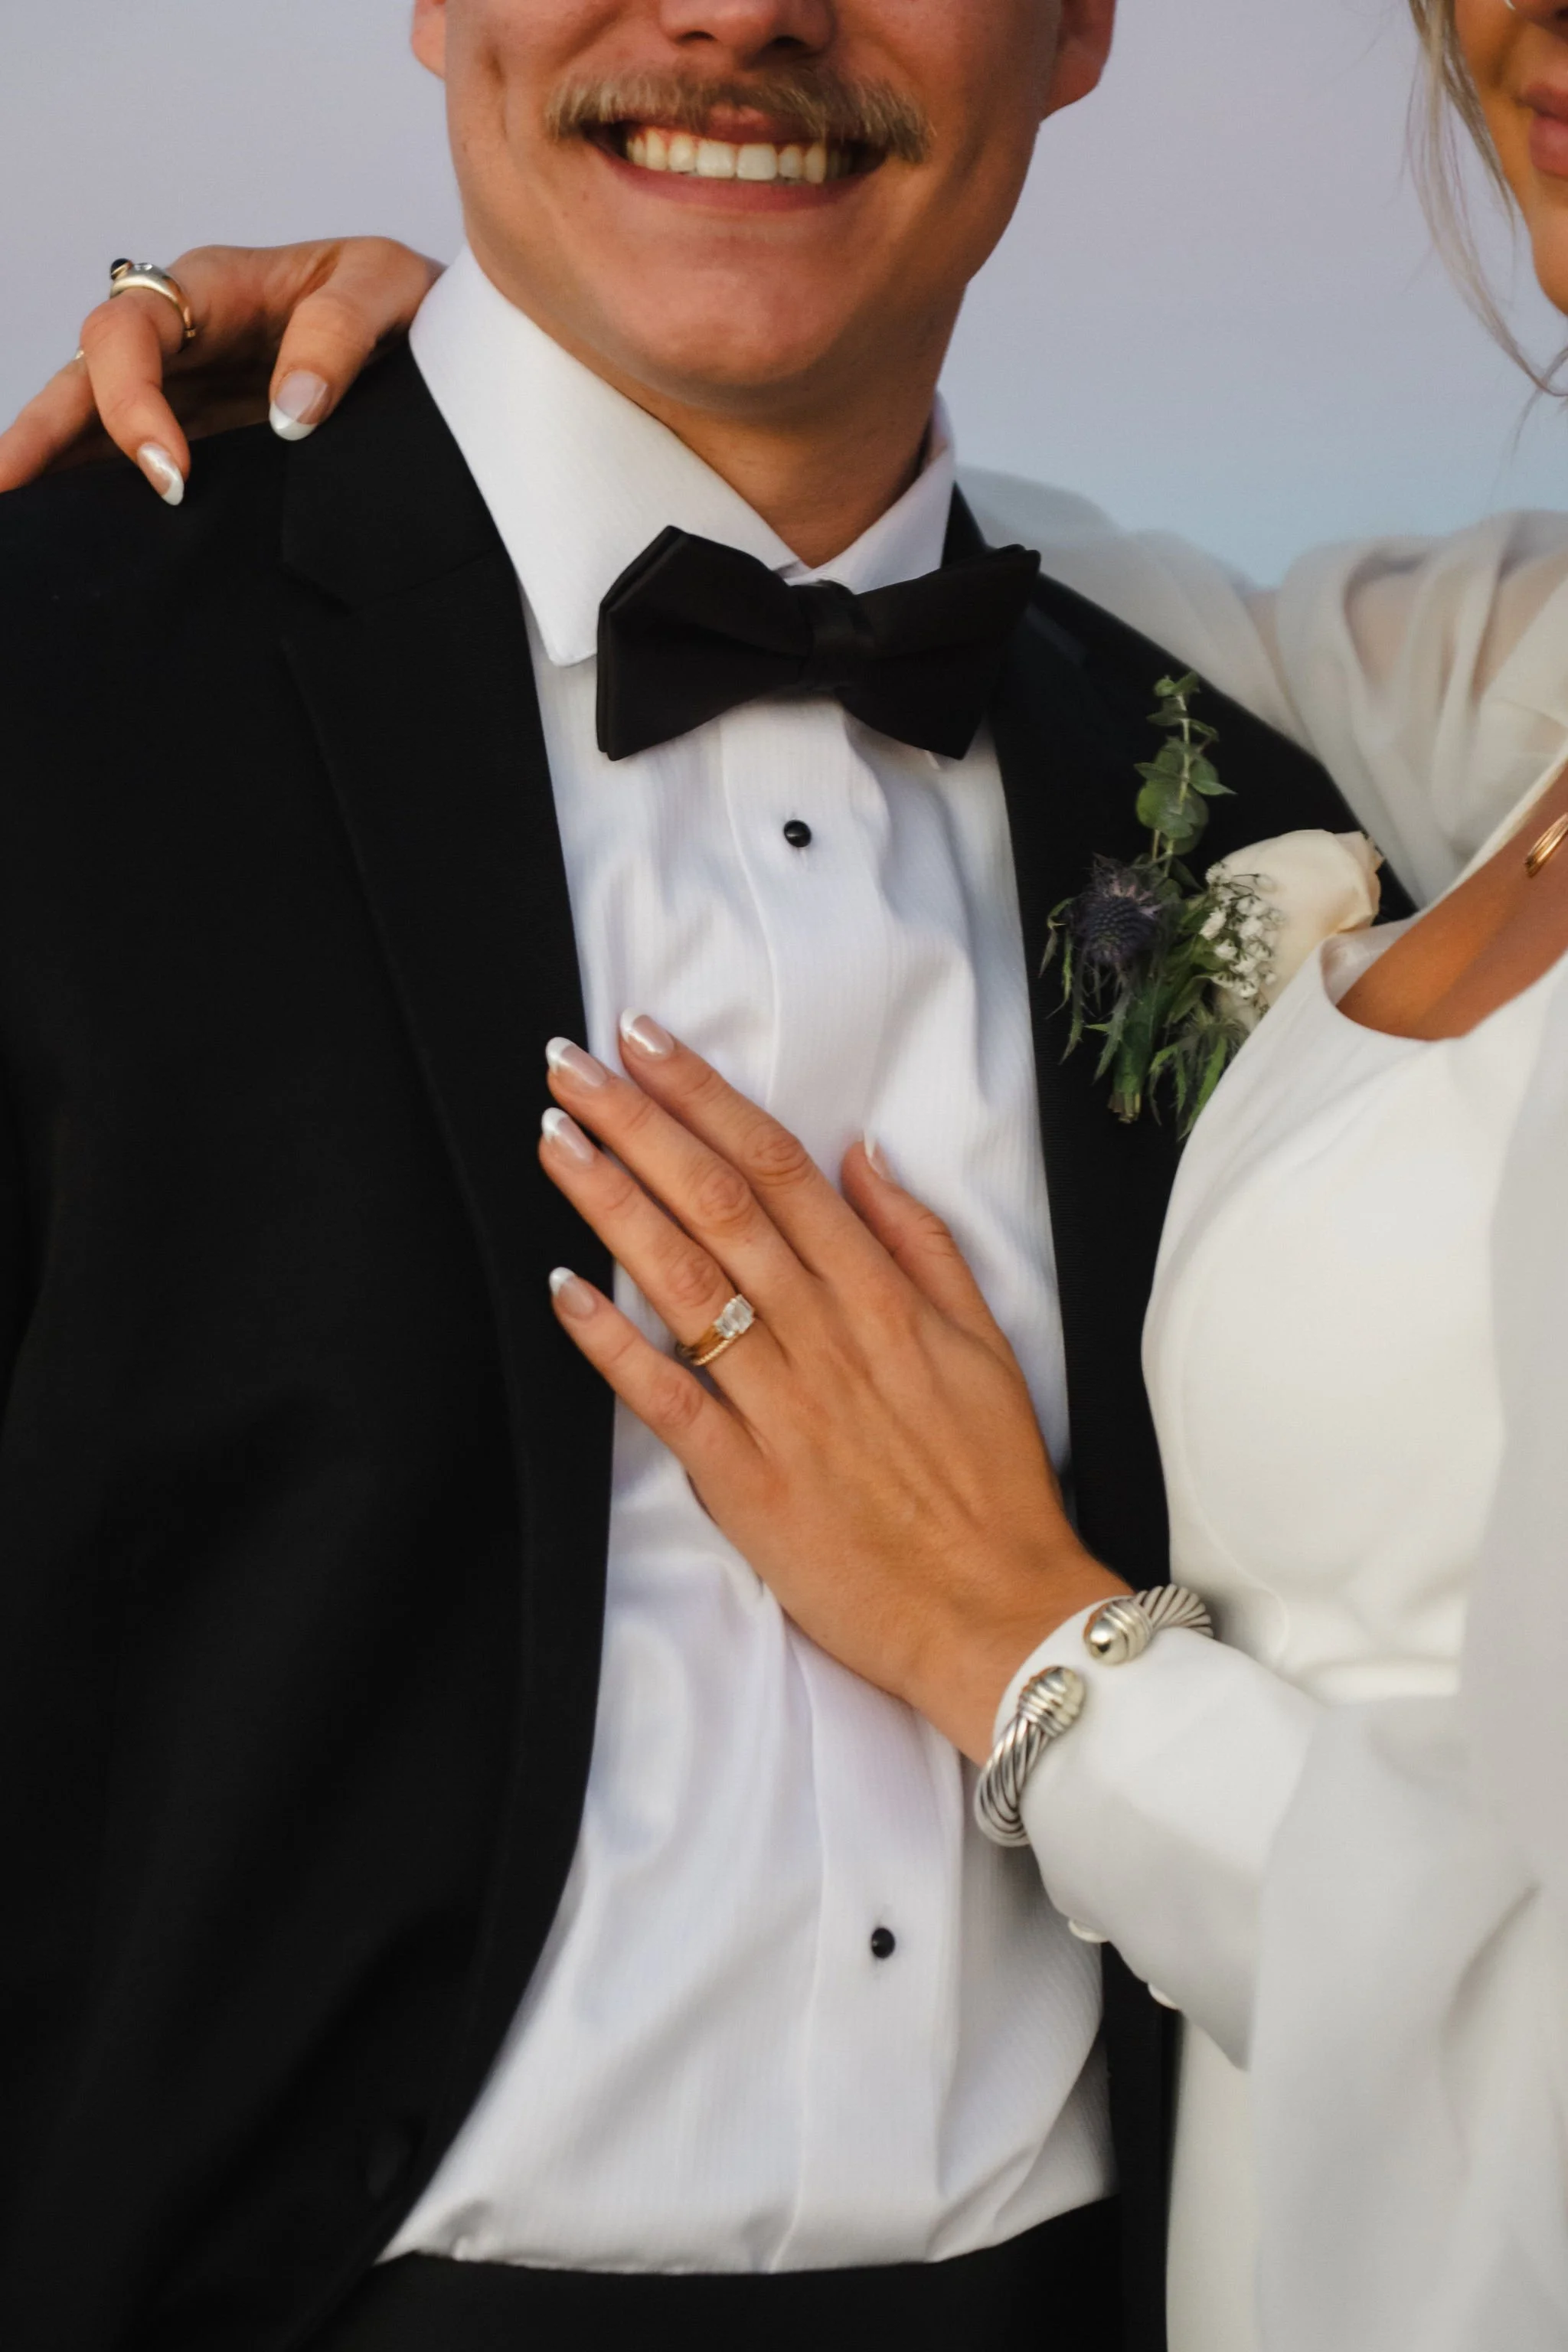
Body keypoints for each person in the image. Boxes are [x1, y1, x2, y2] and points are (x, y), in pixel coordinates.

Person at [21, 5, 1564, 2344]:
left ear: (1079, 26)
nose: (742, 12)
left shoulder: (1236, 799)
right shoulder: (59, 697)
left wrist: (1033, 1653)